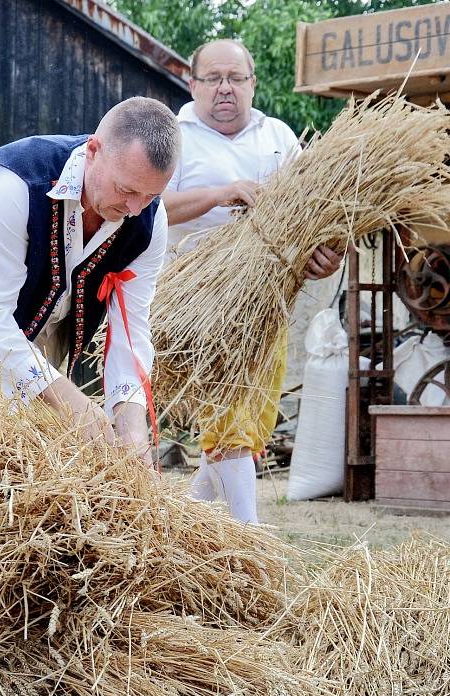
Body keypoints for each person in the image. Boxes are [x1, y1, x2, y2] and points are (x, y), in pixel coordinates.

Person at [0, 97, 181, 466]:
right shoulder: (15, 183)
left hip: (53, 318)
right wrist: (72, 399)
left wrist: (131, 422)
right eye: (126, 190)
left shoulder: (149, 220)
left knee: (40, 447)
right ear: (93, 150)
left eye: (151, 195)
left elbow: (131, 328)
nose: (136, 209)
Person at [162, 40, 342, 522]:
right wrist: (224, 193)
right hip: (200, 304)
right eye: (214, 78)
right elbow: (148, 206)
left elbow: (314, 217)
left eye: (235, 79)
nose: (225, 89)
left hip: (268, 302)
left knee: (253, 423)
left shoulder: (279, 137)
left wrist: (319, 257)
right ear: (193, 83)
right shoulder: (172, 136)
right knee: (231, 424)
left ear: (252, 83)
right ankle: (252, 537)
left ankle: (181, 521)